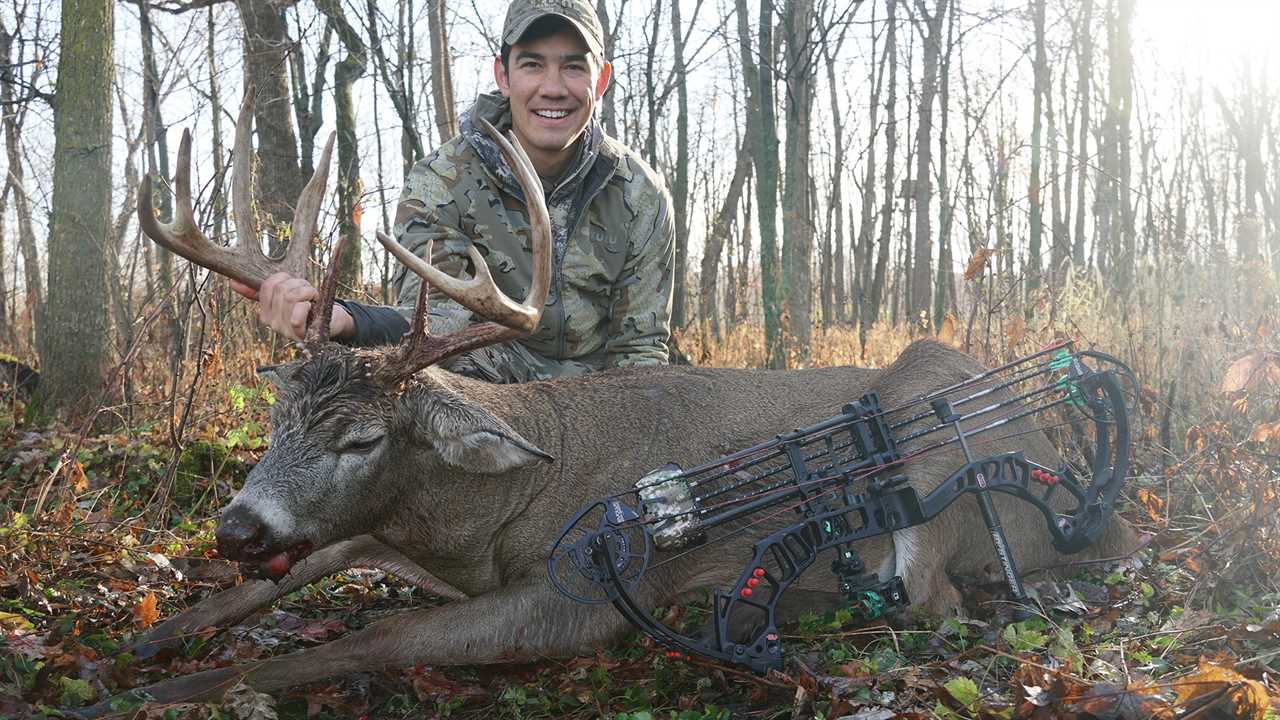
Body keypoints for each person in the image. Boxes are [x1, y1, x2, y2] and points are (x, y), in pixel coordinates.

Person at [236, 0, 675, 383]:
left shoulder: (640, 194)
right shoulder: (441, 182)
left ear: (600, 81)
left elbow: (640, 350)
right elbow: (434, 324)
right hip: (487, 393)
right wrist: (351, 321)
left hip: (599, 404)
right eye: (532, 64)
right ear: (502, 74)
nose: (553, 87)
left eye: (574, 66)